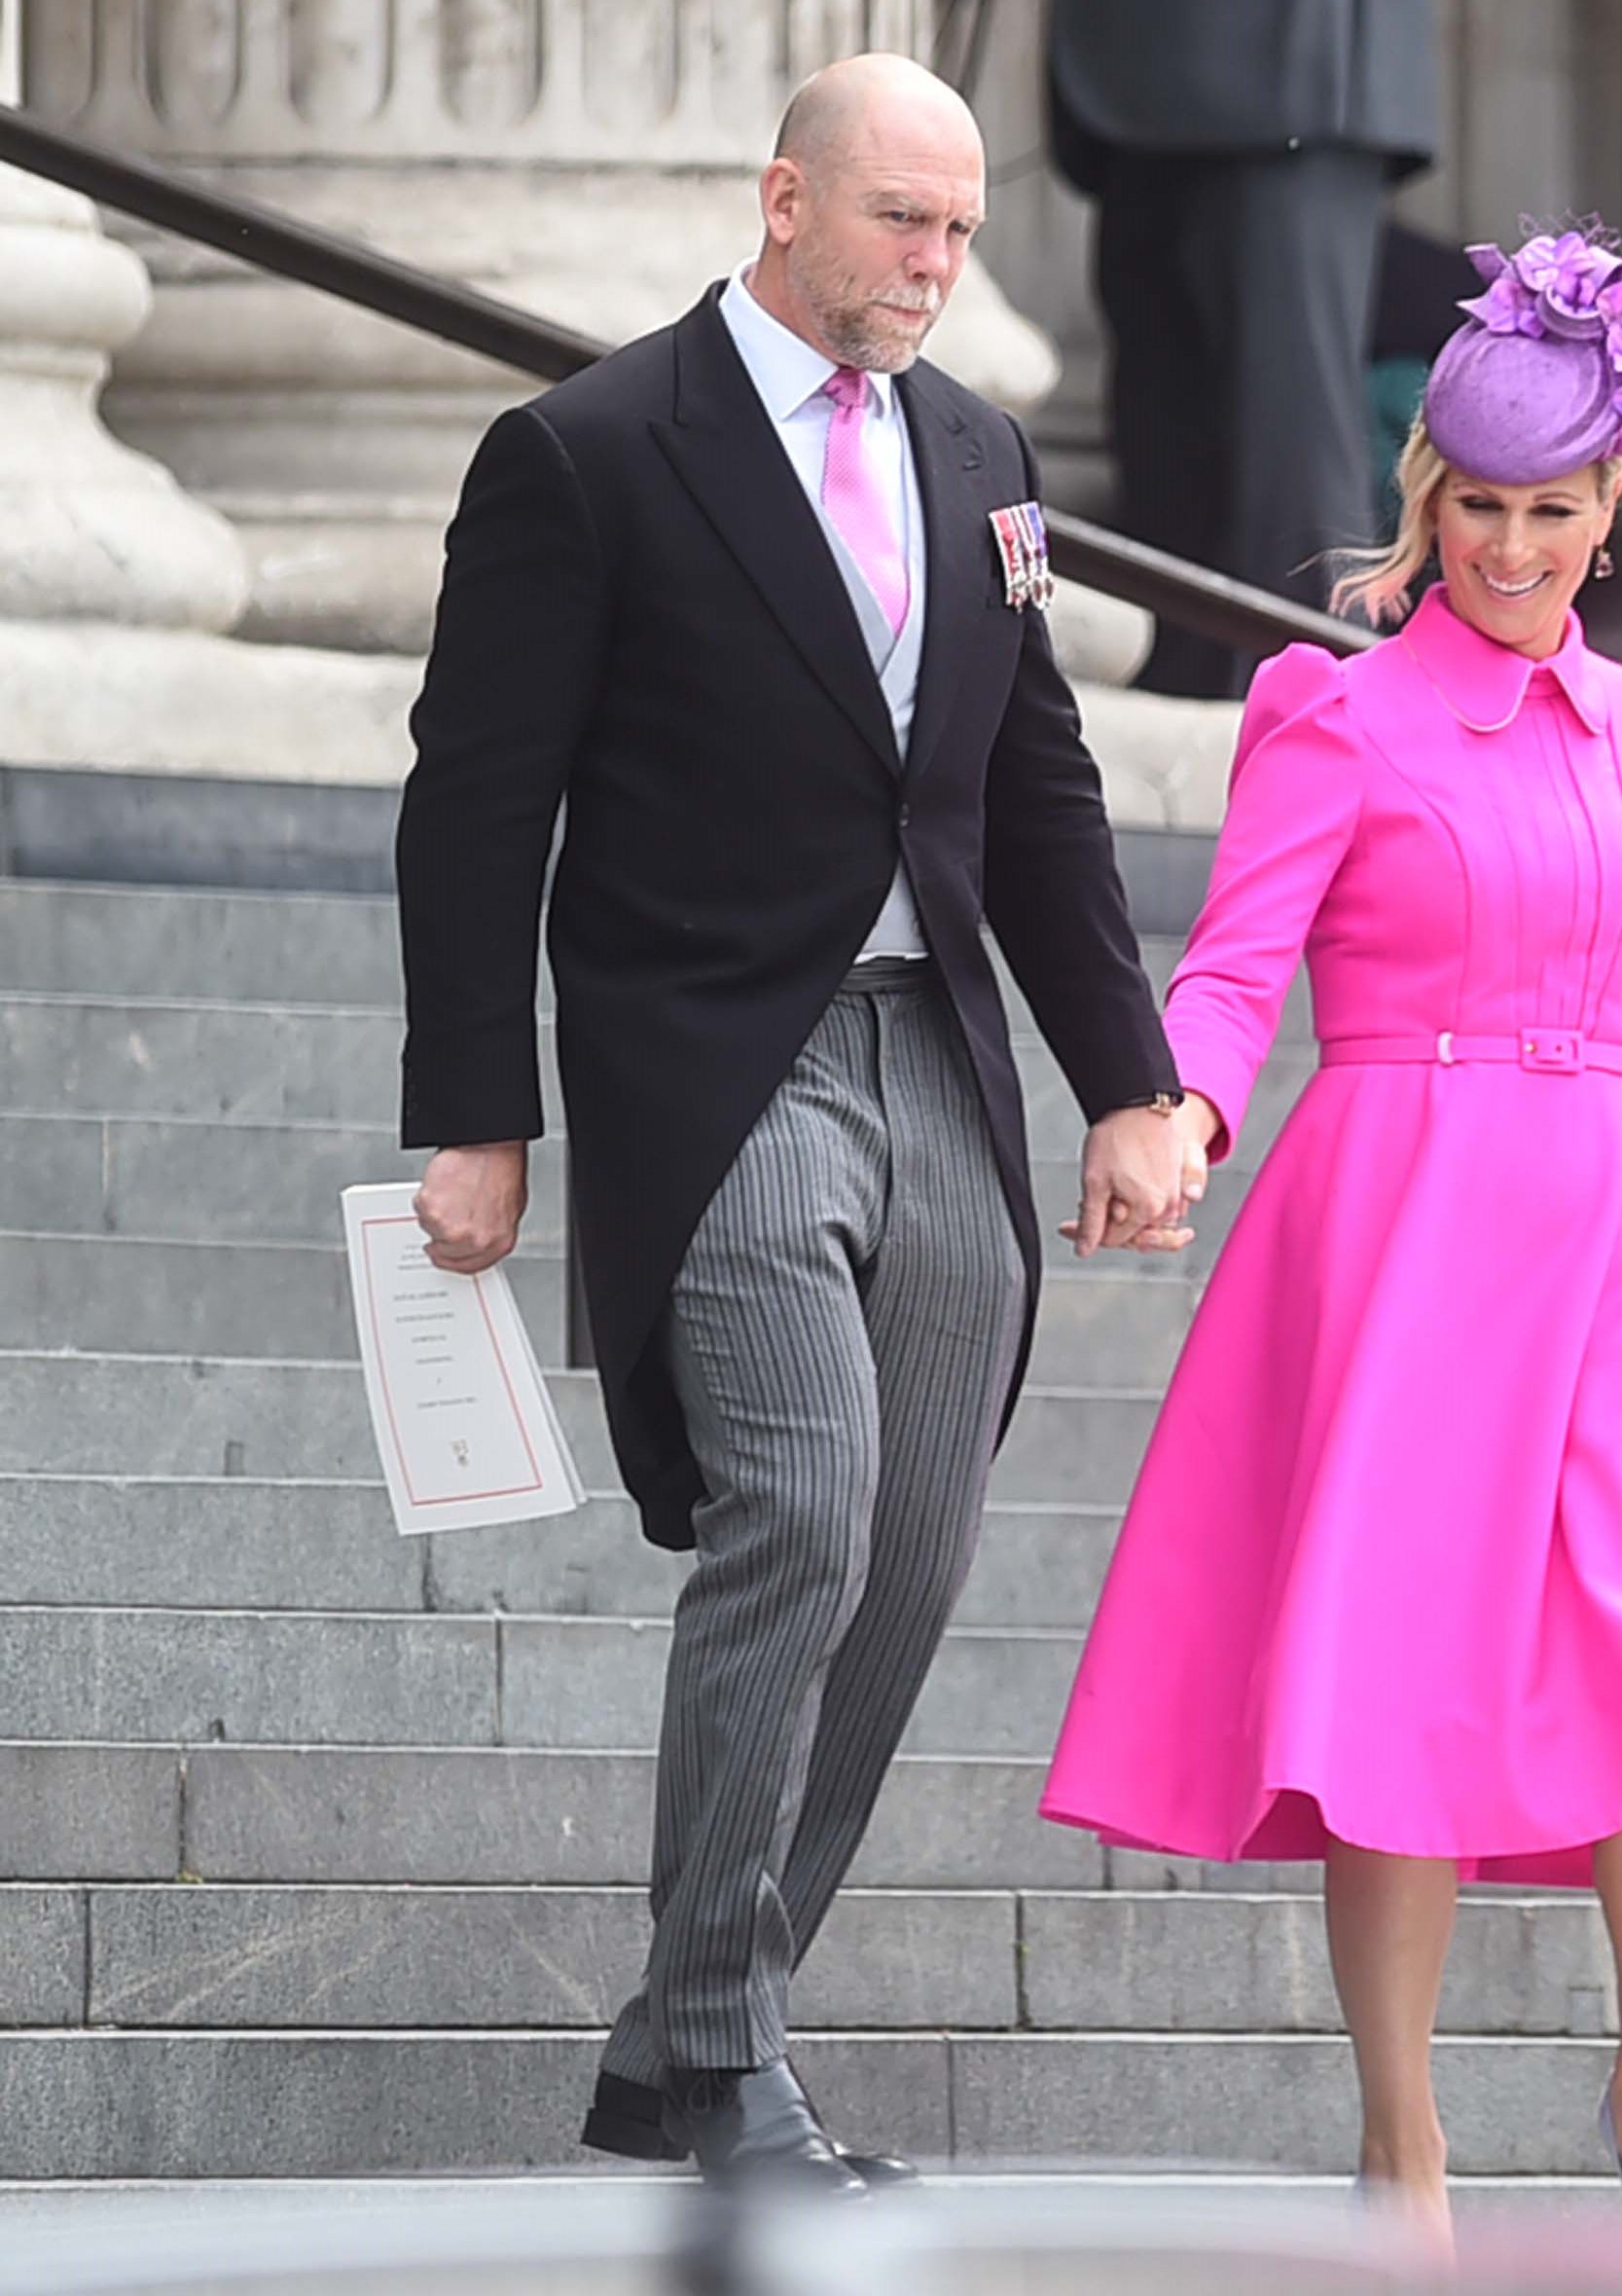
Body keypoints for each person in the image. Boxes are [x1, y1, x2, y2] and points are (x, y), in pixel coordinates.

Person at [396, 53, 1192, 2193]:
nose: (935, 266)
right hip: (709, 1060)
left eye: (960, 231)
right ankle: (731, 2058)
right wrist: (480, 1108)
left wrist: (1126, 1076)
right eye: (898, 224)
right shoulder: (585, 450)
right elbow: (476, 802)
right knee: (807, 1506)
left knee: (914, 1551)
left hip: (933, 1053)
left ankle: (677, 2047)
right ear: (782, 202)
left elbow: (1032, 783)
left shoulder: (980, 450)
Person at [1042, 226, 1622, 2264]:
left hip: (1613, 1246)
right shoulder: (1331, 714)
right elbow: (1231, 971)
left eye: (1548, 510)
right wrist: (1176, 1115)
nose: (1509, 548)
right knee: (1402, 1690)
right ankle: (1401, 2140)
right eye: (1475, 508)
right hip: (1402, 1233)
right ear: (1422, 502)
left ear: (1605, 506)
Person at [1047, 0, 1439, 700]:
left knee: (1289, 481)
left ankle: (1327, 755)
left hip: (1289, 66)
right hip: (1142, 84)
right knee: (1170, 477)